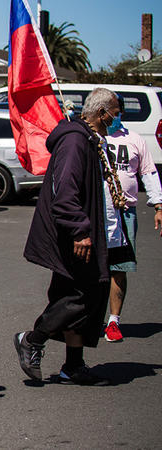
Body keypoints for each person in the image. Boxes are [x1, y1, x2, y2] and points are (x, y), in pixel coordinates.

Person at [15, 88, 135, 386]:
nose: (117, 118)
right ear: (102, 112)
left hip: (96, 231)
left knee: (78, 294)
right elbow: (65, 192)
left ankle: (73, 365)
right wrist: (80, 230)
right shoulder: (75, 140)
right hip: (76, 234)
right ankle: (32, 339)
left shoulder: (90, 140)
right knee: (84, 294)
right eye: (115, 112)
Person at [102, 98, 162, 342]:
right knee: (94, 267)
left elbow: (148, 172)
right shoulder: (95, 139)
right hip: (98, 212)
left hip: (125, 211)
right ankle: (89, 318)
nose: (115, 117)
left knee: (119, 268)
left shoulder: (135, 140)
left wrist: (158, 205)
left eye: (118, 113)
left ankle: (113, 321)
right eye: (111, 113)